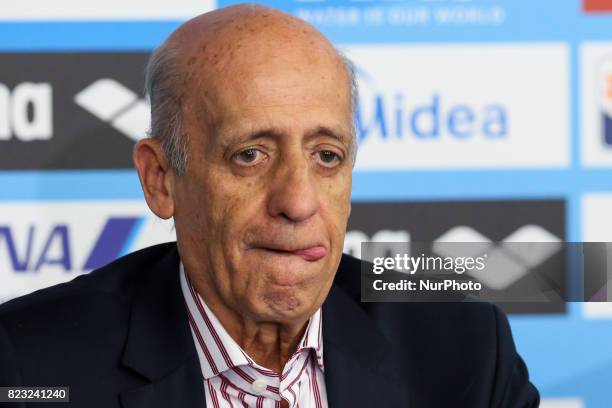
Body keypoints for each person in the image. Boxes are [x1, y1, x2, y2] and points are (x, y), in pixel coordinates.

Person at [0, 4, 539, 407]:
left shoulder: (462, 347)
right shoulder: (30, 364)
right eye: (251, 155)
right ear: (161, 179)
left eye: (326, 156)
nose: (298, 202)